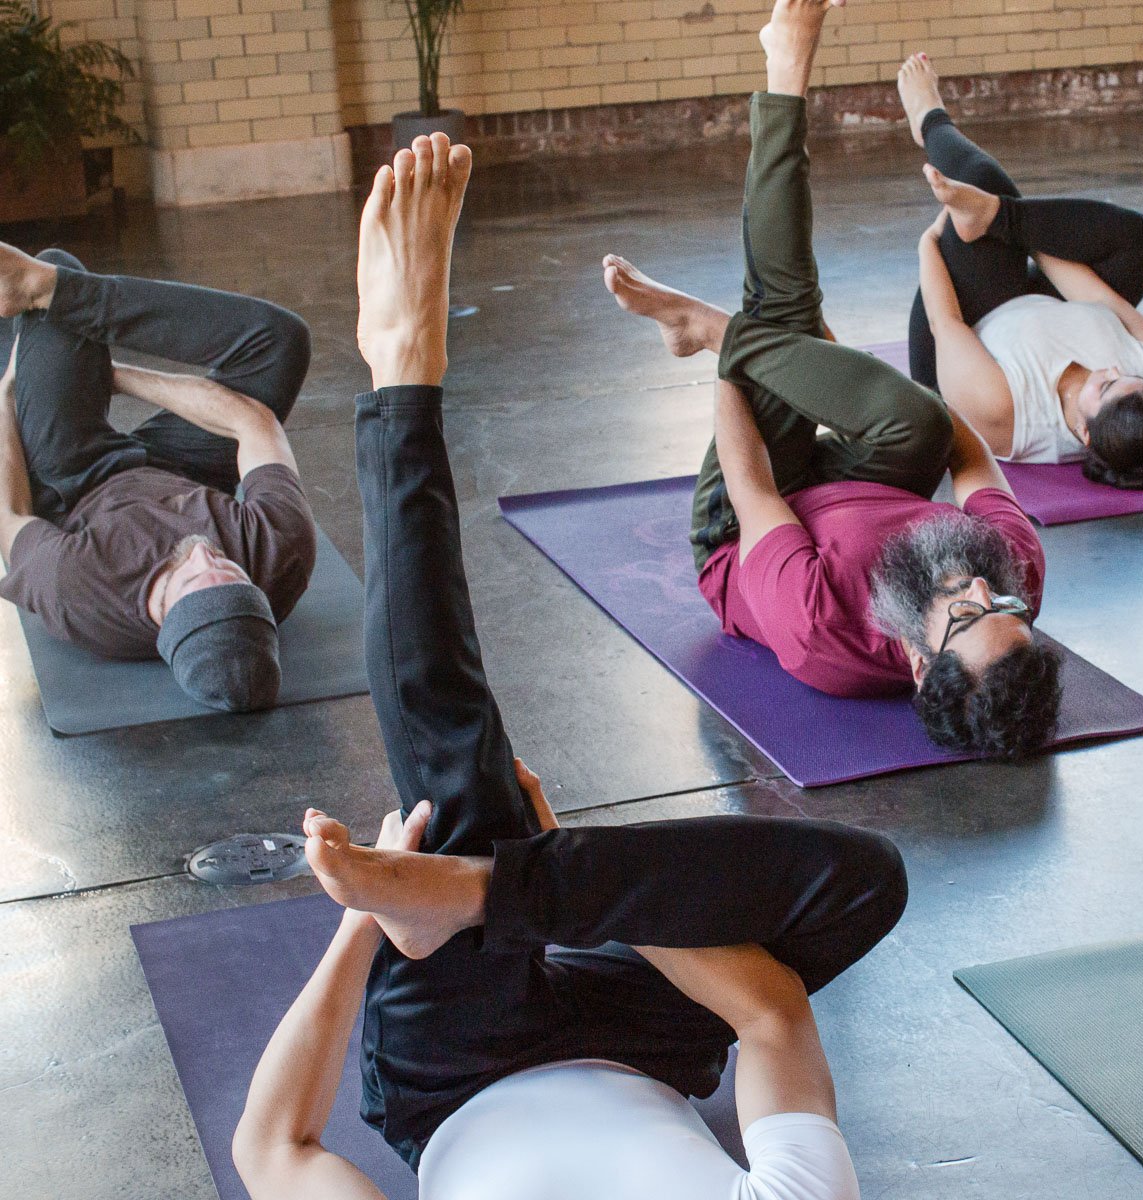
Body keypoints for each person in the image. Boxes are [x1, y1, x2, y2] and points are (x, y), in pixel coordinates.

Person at [230, 109, 908, 1200]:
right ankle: (488, 885)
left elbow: (275, 1151)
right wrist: (539, 879)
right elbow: (769, 1014)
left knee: (457, 773)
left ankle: (402, 372)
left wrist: (371, 916)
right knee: (863, 884)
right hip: (648, 1036)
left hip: (456, 1068)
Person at [600, 4, 1062, 758]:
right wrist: (815, 358)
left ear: (919, 665)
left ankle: (785, 74)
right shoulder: (1009, 576)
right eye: (1004, 606)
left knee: (779, 306)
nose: (981, 591)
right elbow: (966, 447)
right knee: (922, 424)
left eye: (968, 616)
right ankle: (726, 326)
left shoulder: (820, 629)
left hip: (753, 513)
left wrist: (732, 350)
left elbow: (752, 491)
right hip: (864, 483)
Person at [0, 241, 315, 712]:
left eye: (190, 579)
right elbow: (254, 422)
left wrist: (7, 397)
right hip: (184, 470)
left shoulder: (78, 589)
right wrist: (112, 374)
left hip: (73, 481)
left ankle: (34, 299)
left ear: (163, 614)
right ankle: (42, 299)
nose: (204, 554)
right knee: (282, 342)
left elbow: (9, 515)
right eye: (229, 569)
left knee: (58, 283)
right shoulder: (281, 551)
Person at [895, 54, 1143, 490]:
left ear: (1085, 434)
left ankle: (929, 119)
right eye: (1127, 376)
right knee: (1142, 242)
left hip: (967, 319)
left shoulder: (1005, 410)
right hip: (1043, 302)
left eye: (1106, 387)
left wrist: (930, 241)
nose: (1111, 369)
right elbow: (1100, 298)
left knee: (983, 179)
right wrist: (1004, 221)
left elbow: (944, 322)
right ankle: (992, 210)